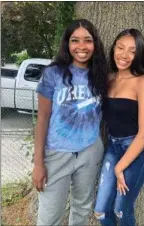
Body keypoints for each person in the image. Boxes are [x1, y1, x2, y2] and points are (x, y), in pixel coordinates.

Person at [32, 19, 108, 226]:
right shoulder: (53, 73)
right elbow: (42, 118)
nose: (81, 47)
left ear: (95, 44)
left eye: (88, 40)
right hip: (56, 153)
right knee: (49, 216)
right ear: (67, 43)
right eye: (75, 40)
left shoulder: (101, 75)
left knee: (82, 210)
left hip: (90, 150)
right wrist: (38, 163)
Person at [94, 28, 144, 226]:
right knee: (101, 211)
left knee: (121, 209)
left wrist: (120, 167)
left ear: (139, 55)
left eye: (132, 51)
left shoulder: (142, 82)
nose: (124, 55)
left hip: (137, 151)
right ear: (114, 49)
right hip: (113, 147)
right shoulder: (109, 80)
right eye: (120, 47)